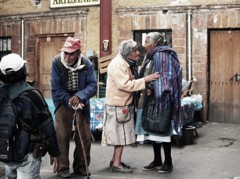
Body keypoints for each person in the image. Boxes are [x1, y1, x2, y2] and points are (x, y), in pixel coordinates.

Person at [101, 39, 160, 173]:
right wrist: (146, 80)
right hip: (118, 104)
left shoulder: (126, 62)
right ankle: (116, 164)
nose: (138, 53)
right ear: (128, 53)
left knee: (120, 135)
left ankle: (115, 160)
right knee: (120, 135)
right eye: (135, 51)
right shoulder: (118, 64)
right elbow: (125, 85)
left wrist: (144, 86)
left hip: (121, 103)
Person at [0, 53, 60, 179]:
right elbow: (46, 126)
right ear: (23, 71)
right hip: (28, 155)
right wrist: (54, 152)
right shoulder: (32, 94)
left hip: (6, 154)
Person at [135, 32, 182, 174]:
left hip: (162, 99)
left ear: (155, 43)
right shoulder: (151, 56)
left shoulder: (162, 55)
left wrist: (154, 89)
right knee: (153, 129)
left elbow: (166, 77)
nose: (144, 43)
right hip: (152, 99)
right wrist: (148, 87)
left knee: (162, 129)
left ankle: (168, 162)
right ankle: (157, 160)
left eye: (147, 40)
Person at [51, 37, 97, 178]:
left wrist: (80, 96)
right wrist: (69, 100)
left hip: (81, 100)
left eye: (71, 53)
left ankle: (81, 167)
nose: (68, 56)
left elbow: (92, 86)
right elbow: (56, 88)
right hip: (63, 100)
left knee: (84, 135)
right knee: (62, 135)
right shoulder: (57, 62)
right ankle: (63, 168)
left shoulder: (87, 64)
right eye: (66, 53)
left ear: (78, 52)